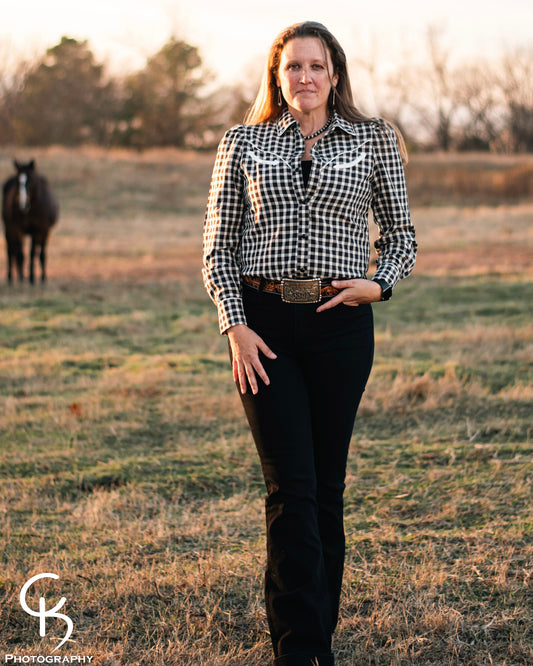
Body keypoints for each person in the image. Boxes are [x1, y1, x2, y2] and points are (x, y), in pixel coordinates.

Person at [203, 20, 417, 666]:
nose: (304, 77)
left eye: (315, 66)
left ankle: (316, 636)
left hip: (340, 328)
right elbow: (217, 248)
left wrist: (375, 287)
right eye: (292, 66)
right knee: (288, 487)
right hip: (263, 328)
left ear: (334, 73)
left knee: (325, 488)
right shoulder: (241, 143)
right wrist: (234, 326)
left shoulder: (373, 140)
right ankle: (299, 651)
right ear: (276, 76)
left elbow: (402, 237)